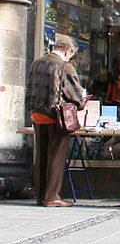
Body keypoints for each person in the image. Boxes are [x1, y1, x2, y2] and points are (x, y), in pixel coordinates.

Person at [25, 38, 85, 206]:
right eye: (71, 54)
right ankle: (52, 196)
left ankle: (41, 195)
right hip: (56, 117)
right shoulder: (65, 66)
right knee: (56, 156)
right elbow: (75, 95)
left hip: (37, 115)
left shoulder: (37, 63)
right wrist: (81, 103)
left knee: (41, 156)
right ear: (67, 51)